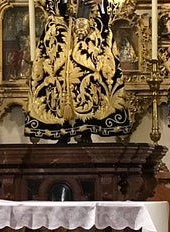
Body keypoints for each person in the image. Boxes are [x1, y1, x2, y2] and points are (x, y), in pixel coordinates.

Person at [25, 0, 131, 143]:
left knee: (91, 77)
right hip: (60, 30)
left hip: (92, 29)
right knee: (57, 79)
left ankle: (85, 128)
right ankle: (62, 127)